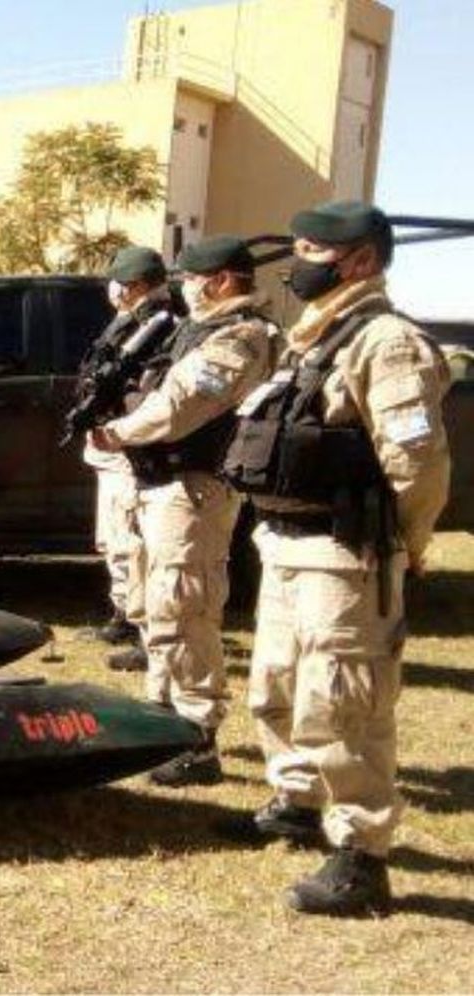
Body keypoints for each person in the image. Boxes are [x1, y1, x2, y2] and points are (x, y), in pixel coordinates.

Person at [223, 201, 450, 917]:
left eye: (313, 248)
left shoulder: (387, 342)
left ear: (360, 261)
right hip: (287, 545)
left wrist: (408, 547)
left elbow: (415, 460)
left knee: (344, 704)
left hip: (346, 555)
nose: (299, 261)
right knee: (278, 688)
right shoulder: (316, 336)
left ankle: (360, 856)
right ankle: (295, 799)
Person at [90, 234, 274, 786]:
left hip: (192, 491)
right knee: (154, 605)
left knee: (186, 610)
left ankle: (197, 735)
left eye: (192, 279)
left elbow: (178, 408)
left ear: (219, 281)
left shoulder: (240, 337)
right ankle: (160, 715)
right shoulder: (191, 331)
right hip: (158, 485)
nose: (184, 289)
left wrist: (114, 434)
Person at [84, 247, 177, 667]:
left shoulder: (160, 323)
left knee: (132, 544)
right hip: (110, 443)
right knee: (114, 539)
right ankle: (124, 614)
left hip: (129, 445)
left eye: (122, 281)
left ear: (137, 284)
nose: (114, 288)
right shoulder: (131, 321)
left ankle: (143, 631)